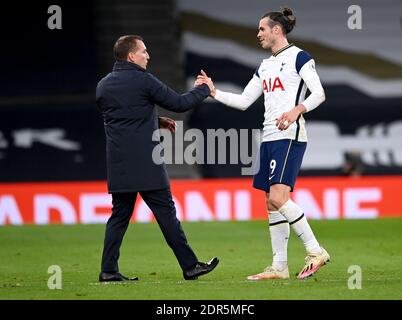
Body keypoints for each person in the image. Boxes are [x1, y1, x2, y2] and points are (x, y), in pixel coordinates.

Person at [196, 7, 329, 280]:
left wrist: (296, 111)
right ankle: (279, 267)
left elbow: (319, 93)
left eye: (262, 29)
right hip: (269, 137)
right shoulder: (266, 65)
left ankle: (316, 250)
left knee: (279, 198)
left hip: (289, 136)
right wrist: (214, 92)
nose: (258, 34)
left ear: (276, 30)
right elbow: (245, 101)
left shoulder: (299, 57)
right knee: (270, 201)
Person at [96, 35, 219, 282]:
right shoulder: (143, 80)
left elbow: (122, 118)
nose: (148, 56)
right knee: (166, 214)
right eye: (143, 51)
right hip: (146, 163)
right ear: (131, 56)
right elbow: (180, 103)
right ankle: (190, 265)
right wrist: (204, 89)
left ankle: (108, 270)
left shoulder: (103, 85)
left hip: (118, 163)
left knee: (119, 215)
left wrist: (154, 121)